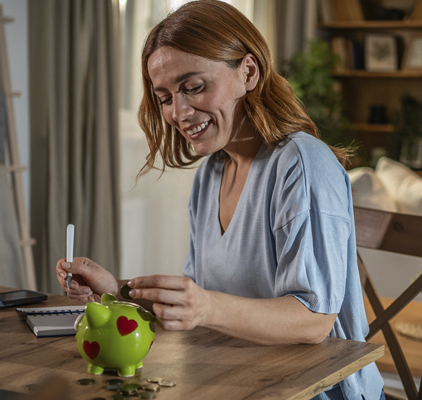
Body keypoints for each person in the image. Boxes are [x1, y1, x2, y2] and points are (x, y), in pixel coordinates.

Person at [56, 1, 384, 399]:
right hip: (233, 381)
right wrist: (118, 290)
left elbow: (313, 320)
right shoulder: (213, 172)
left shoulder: (301, 162)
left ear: (248, 72)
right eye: (164, 97)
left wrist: (206, 308)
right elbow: (201, 298)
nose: (178, 112)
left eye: (193, 87)